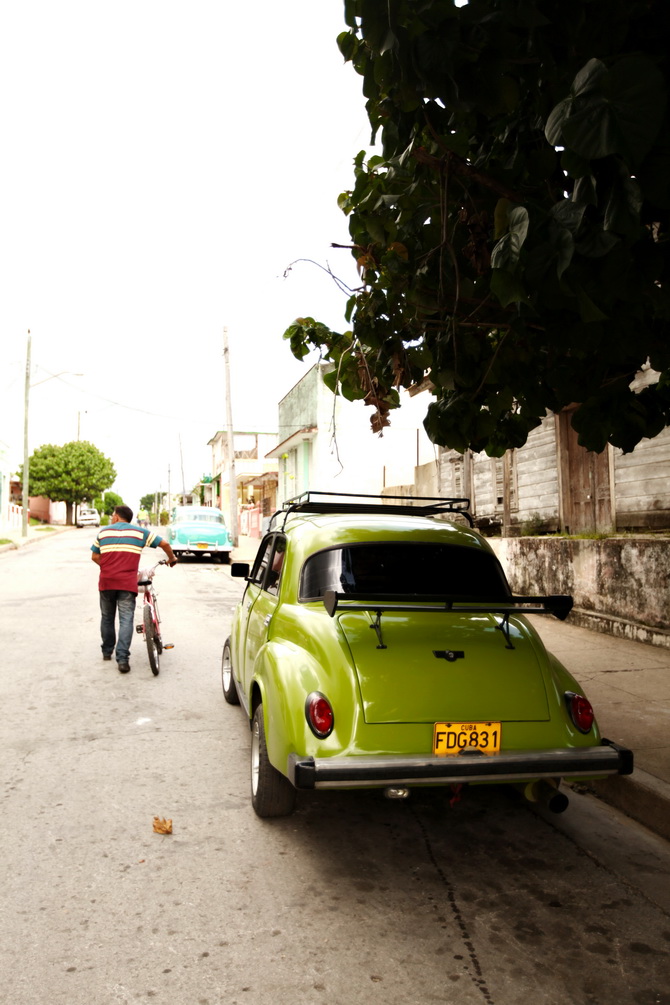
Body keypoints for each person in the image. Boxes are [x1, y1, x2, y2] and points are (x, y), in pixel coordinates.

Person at [91, 504, 177, 673]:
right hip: (126, 583)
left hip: (107, 581)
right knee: (126, 620)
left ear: (116, 517)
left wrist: (108, 568)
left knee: (107, 617)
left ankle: (107, 652)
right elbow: (165, 543)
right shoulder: (140, 532)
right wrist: (172, 558)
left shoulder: (103, 532)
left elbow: (94, 556)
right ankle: (122, 660)